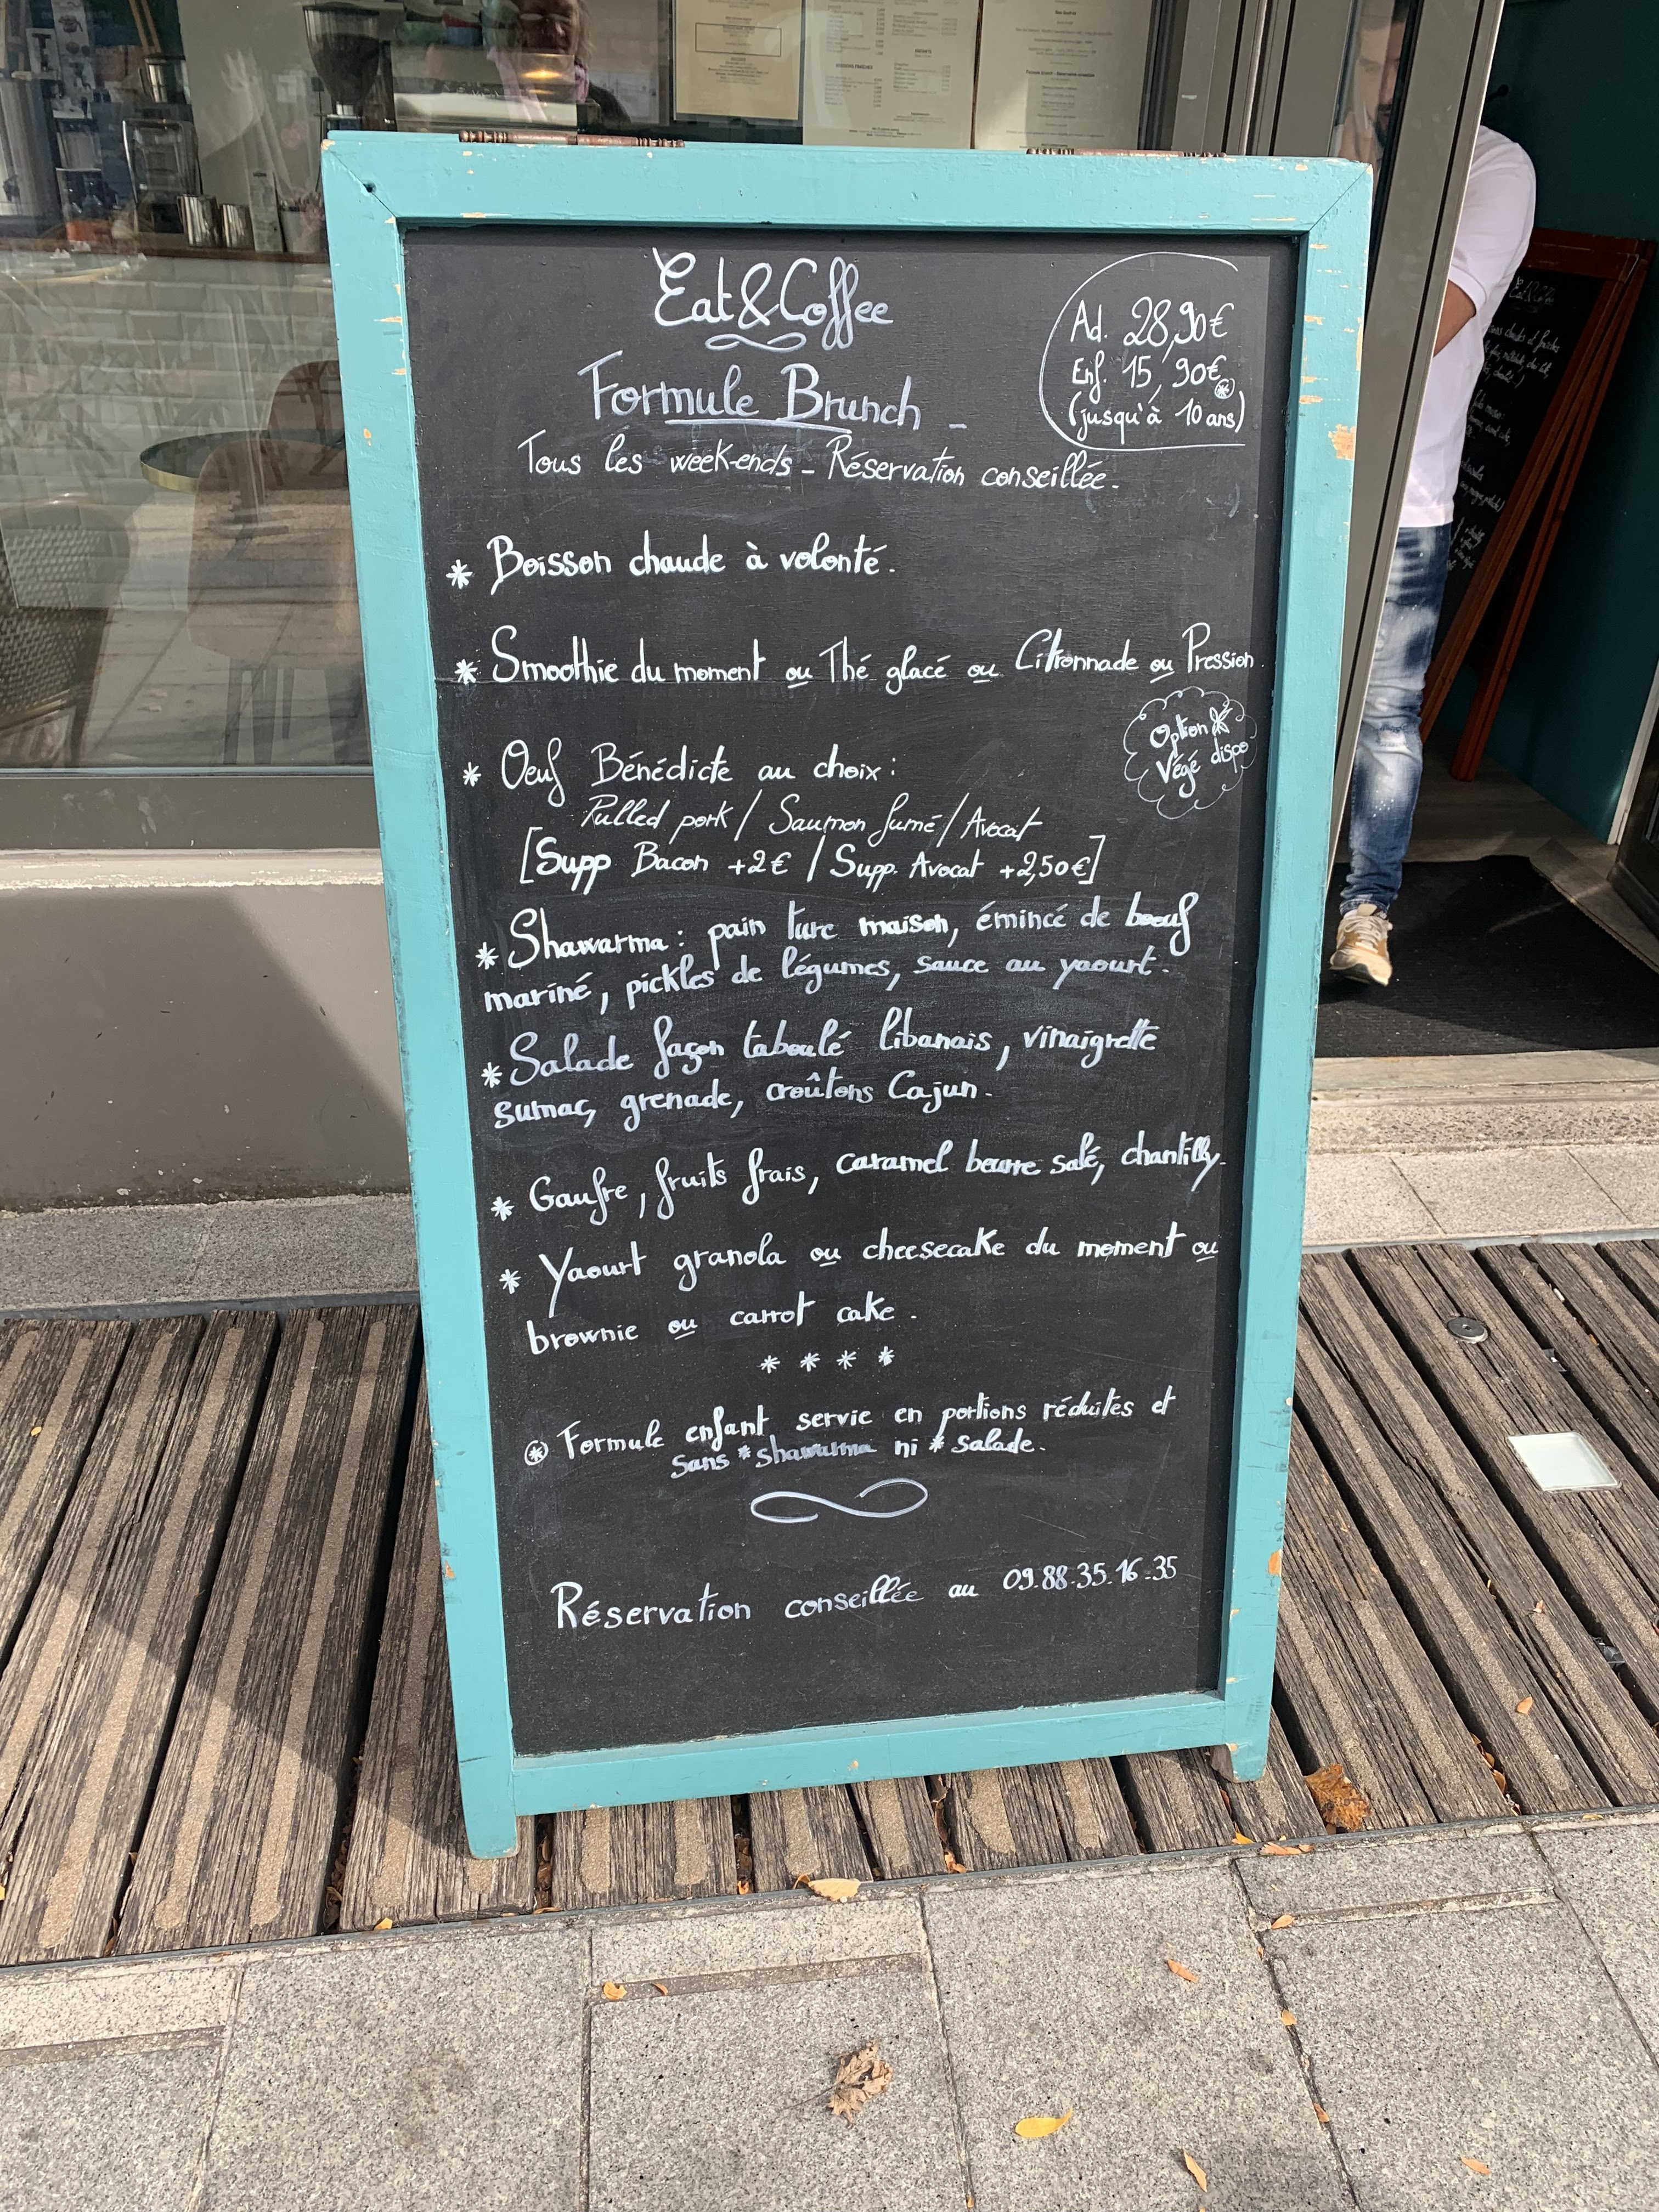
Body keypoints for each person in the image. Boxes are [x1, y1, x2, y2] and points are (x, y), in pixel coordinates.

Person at [1330, 124, 1536, 988]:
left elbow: (1423, 329)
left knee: (1383, 714)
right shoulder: (1317, 128)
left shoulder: (1492, 166)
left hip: (1403, 497)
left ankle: (1365, 913)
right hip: (1280, 477)